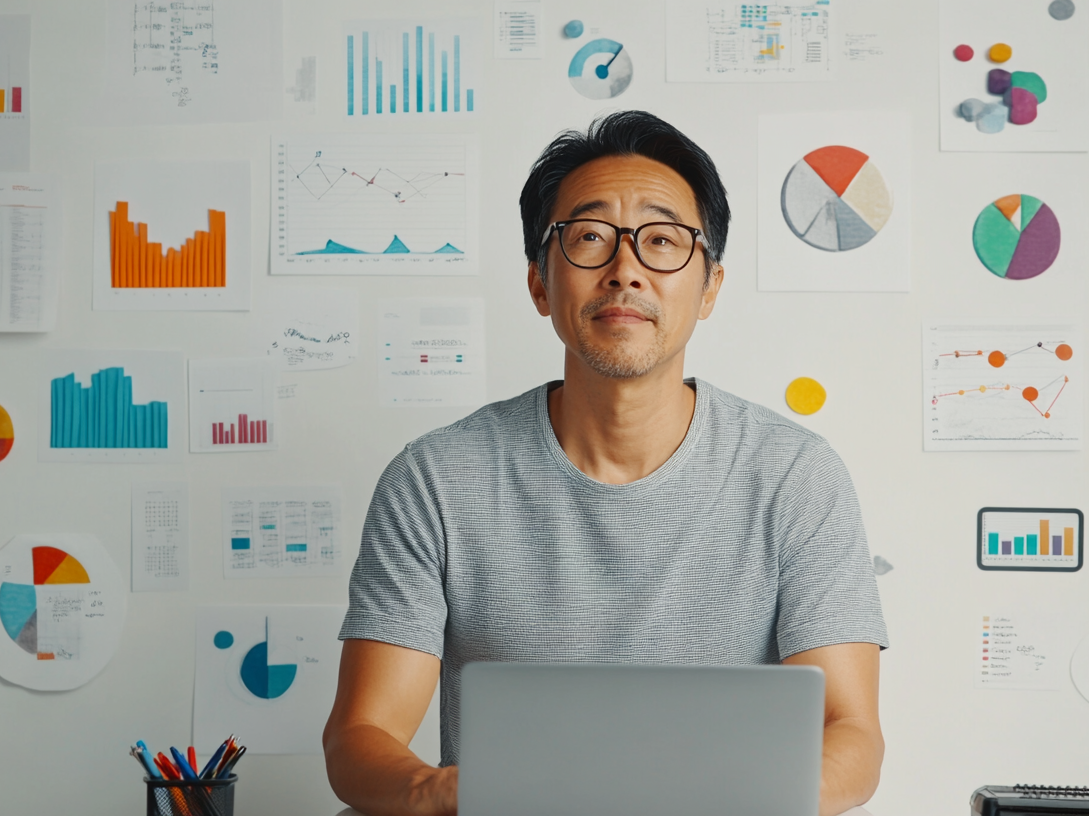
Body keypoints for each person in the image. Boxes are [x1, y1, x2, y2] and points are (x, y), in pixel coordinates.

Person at [323, 110, 888, 816]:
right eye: (589, 238)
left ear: (709, 287)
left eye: (662, 242)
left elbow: (852, 736)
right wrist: (445, 792)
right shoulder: (434, 479)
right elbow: (361, 736)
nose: (626, 271)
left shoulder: (796, 477)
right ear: (539, 283)